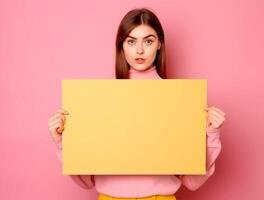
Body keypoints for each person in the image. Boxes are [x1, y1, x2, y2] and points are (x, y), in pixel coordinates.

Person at [48, 8, 226, 200]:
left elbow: (192, 180)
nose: (139, 50)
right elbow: (86, 180)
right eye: (131, 41)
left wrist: (212, 135)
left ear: (159, 44)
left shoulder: (180, 100)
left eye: (148, 41)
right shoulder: (99, 101)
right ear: (121, 46)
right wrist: (61, 141)